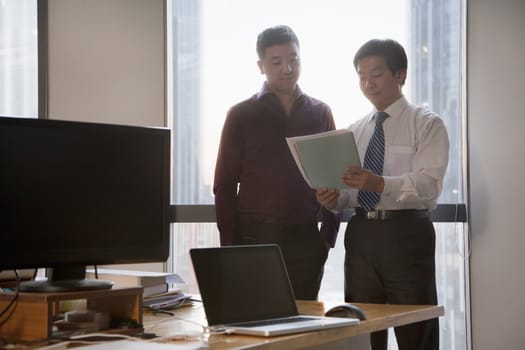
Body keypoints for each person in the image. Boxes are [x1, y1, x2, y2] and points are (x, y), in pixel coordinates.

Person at [317, 39, 449, 350]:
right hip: (362, 235)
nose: (367, 83)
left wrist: (379, 183)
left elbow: (430, 185)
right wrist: (335, 200)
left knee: (416, 329)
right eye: (361, 76)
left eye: (375, 74)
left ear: (400, 74)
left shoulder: (427, 124)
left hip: (407, 233)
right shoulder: (355, 130)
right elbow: (352, 192)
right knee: (363, 330)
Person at [213, 25, 339, 301]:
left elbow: (334, 177)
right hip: (252, 241)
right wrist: (230, 247)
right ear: (261, 66)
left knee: (302, 330)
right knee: (256, 324)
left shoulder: (320, 113)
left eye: (293, 59)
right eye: (277, 62)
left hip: (306, 241)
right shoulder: (240, 114)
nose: (287, 68)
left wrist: (326, 238)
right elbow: (224, 184)